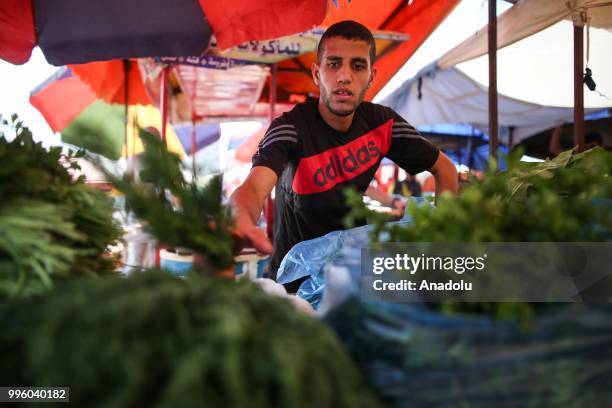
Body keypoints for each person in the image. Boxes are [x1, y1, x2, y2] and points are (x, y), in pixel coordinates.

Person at [230, 20, 458, 287]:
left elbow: (445, 169)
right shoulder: (290, 128)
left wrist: (445, 243)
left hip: (354, 281)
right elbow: (254, 188)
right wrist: (238, 216)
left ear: (371, 76)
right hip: (293, 285)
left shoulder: (383, 124)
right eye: (333, 63)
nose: (344, 76)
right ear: (317, 73)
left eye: (358, 66)